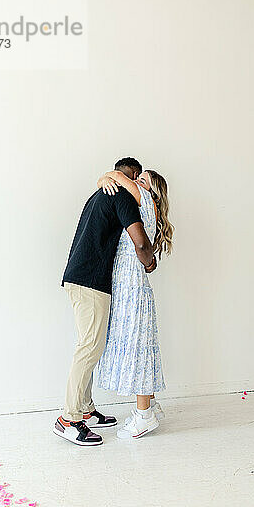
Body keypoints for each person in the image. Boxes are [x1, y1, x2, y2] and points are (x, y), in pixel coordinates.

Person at [54, 158, 157, 447]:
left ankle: (86, 410)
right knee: (89, 347)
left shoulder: (101, 193)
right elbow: (139, 241)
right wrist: (149, 263)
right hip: (91, 281)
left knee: (89, 344)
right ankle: (69, 420)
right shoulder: (123, 196)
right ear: (134, 176)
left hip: (79, 277)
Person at [96, 167, 173, 439]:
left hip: (131, 287)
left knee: (137, 349)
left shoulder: (143, 198)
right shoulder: (147, 207)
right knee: (142, 346)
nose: (135, 183)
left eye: (142, 181)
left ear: (150, 190)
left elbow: (116, 176)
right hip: (133, 286)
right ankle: (150, 405)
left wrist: (104, 179)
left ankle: (144, 416)